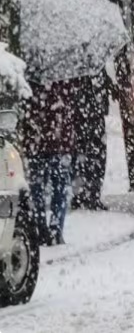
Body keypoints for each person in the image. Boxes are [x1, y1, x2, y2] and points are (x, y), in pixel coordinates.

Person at [21, 75, 78, 246]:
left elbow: (26, 108)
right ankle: (55, 228)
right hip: (58, 142)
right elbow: (70, 104)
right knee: (59, 188)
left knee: (37, 188)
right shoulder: (65, 75)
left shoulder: (28, 77)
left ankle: (40, 227)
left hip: (36, 143)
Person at [71, 62, 115, 211]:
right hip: (85, 118)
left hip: (90, 117)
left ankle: (90, 194)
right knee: (88, 157)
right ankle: (85, 194)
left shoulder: (94, 64)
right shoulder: (82, 64)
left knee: (92, 157)